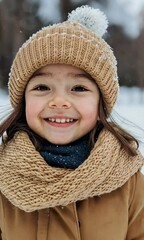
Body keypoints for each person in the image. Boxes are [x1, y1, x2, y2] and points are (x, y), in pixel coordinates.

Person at [0, 5, 144, 240]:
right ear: (23, 100)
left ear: (101, 106)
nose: (59, 101)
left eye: (78, 88)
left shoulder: (129, 182)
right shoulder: (3, 176)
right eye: (42, 87)